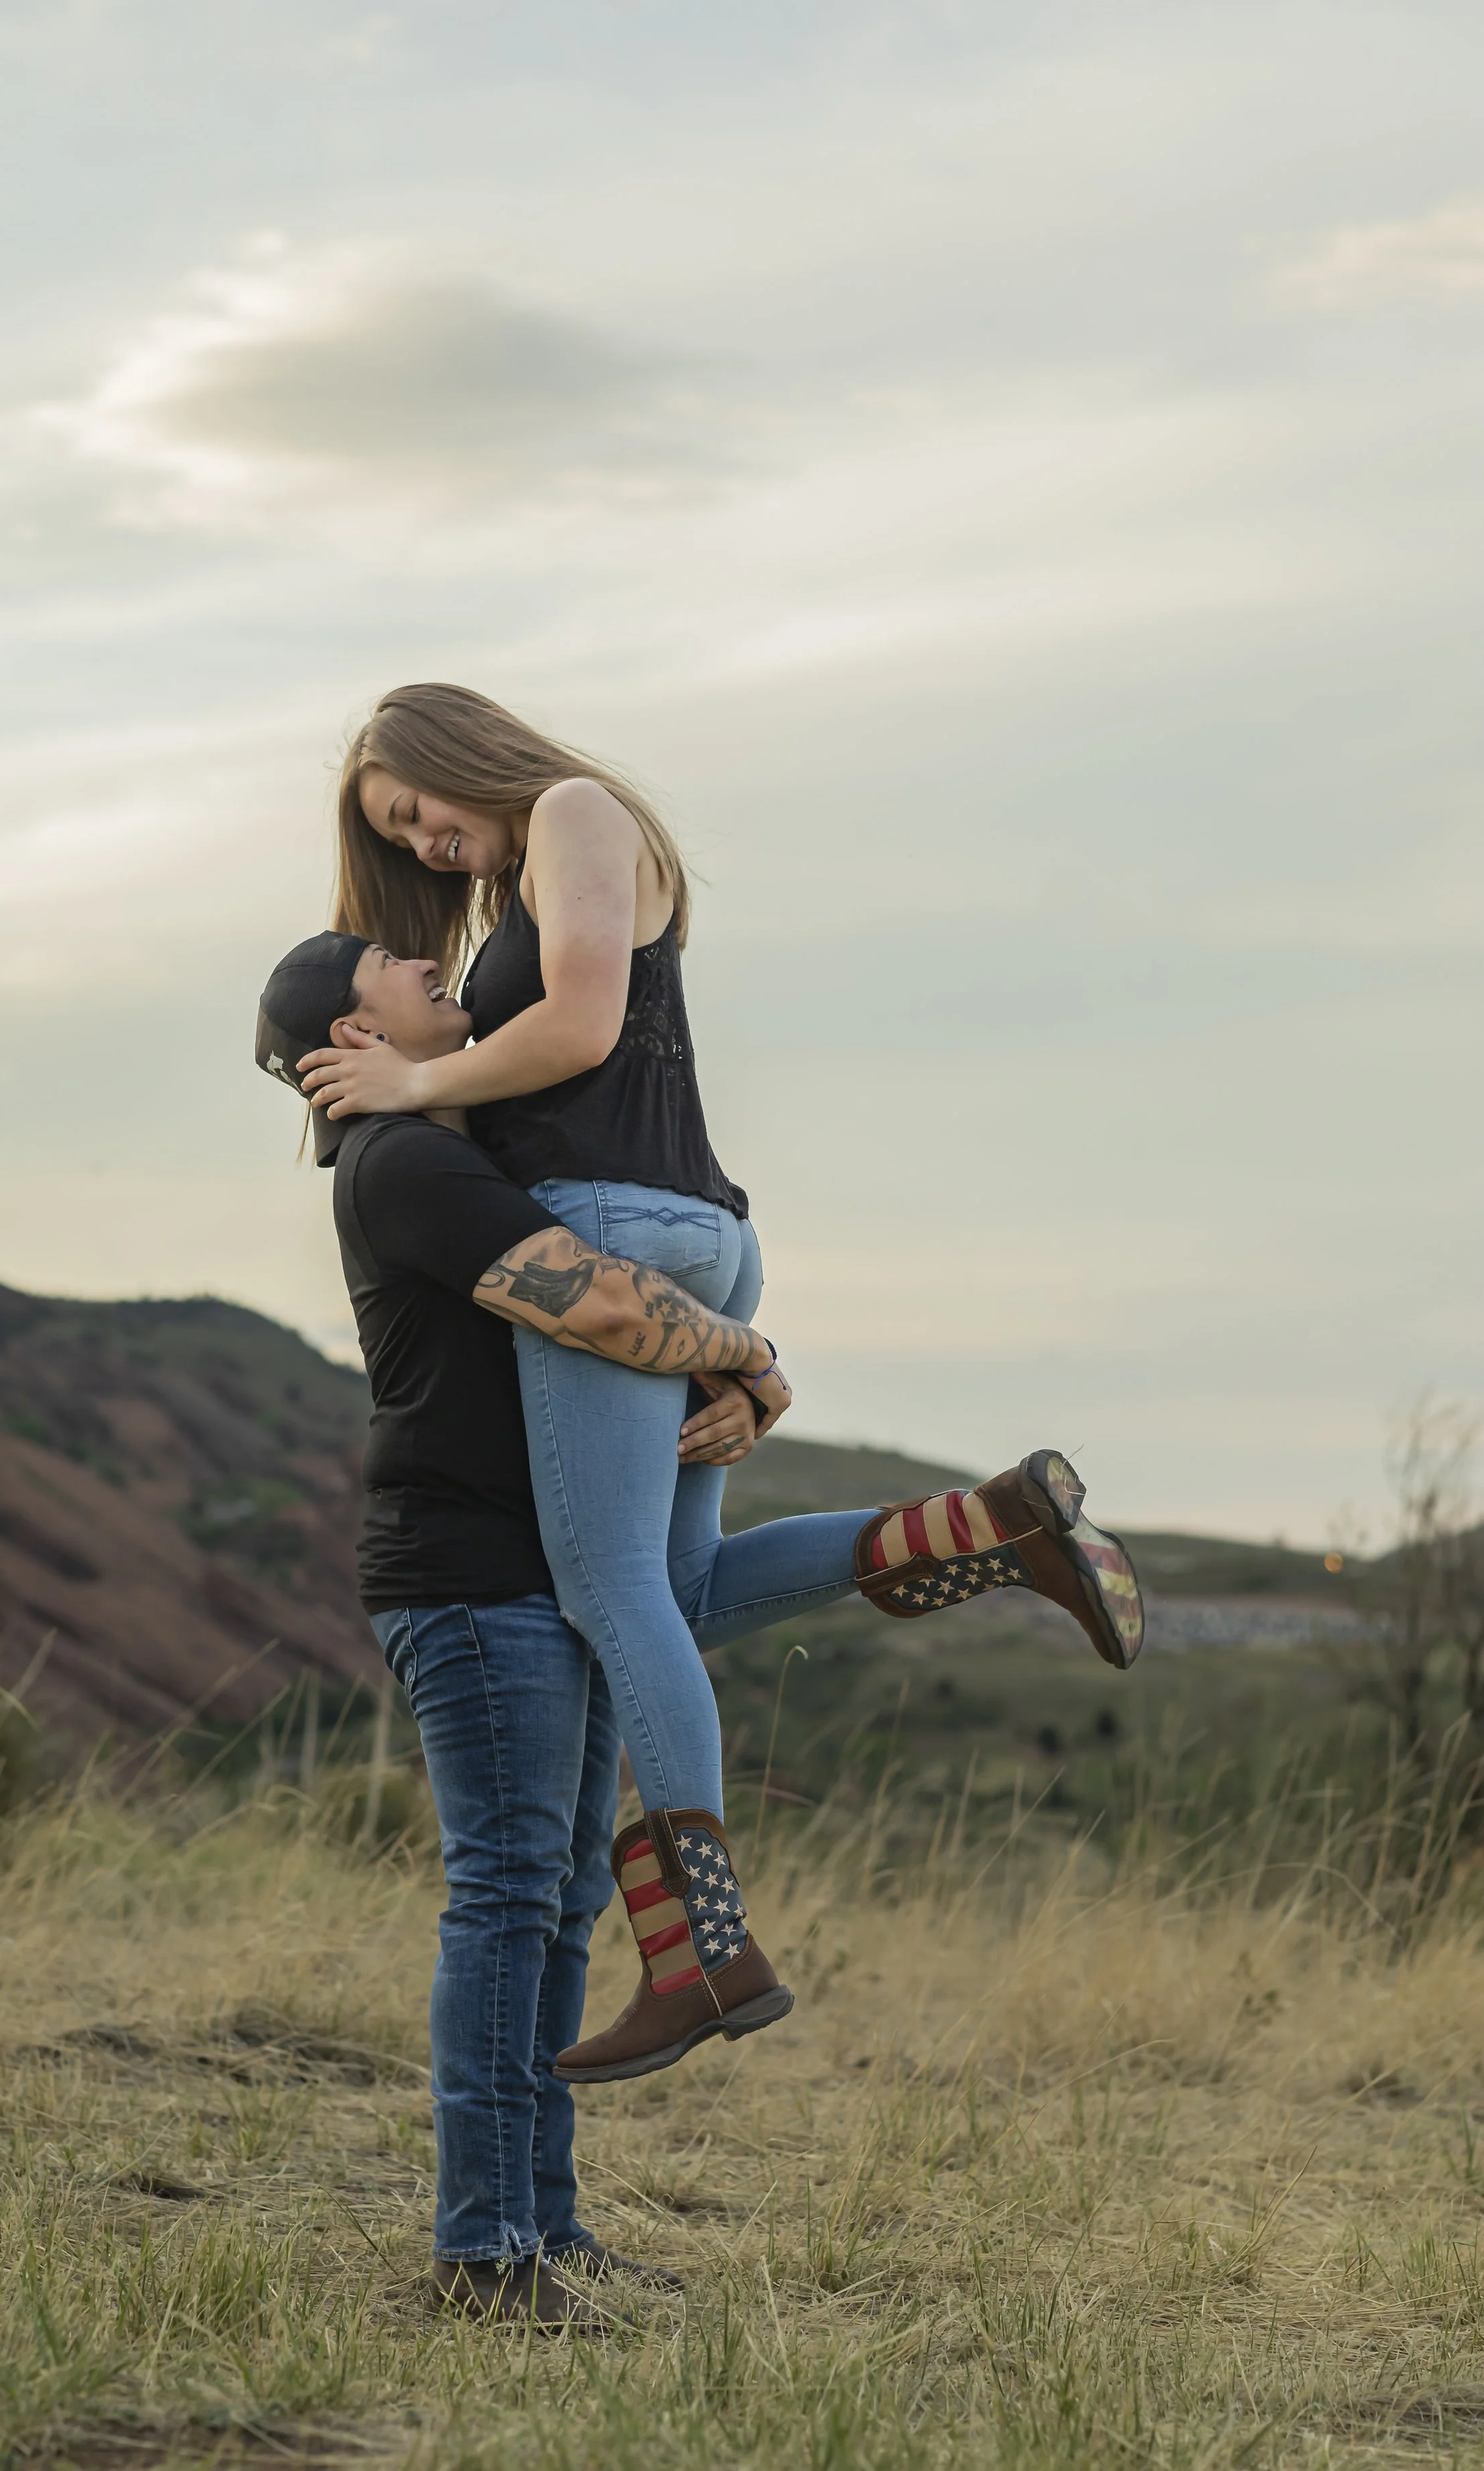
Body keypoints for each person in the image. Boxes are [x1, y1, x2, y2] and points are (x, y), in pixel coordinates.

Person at [257, 929, 1145, 2322]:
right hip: (472, 1583)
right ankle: (486, 2247)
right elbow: (604, 1301)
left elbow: (608, 1348)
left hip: (544, 1571)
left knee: (560, 1893)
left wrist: (729, 1376)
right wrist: (752, 1358)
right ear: (345, 1038)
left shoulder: (460, 1142)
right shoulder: (401, 1163)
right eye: (383, 959)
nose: (425, 959)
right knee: (511, 1902)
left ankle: (543, 2233)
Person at [295, 686, 1144, 2083]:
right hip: (694, 1230)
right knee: (674, 1595)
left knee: (605, 1588)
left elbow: (581, 1029)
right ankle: (990, 1529)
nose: (425, 843)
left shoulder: (573, 812)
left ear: (457, 753)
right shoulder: (538, 867)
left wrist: (403, 1092)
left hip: (616, 1224)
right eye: (400, 837)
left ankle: (698, 1950)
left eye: (417, 809)